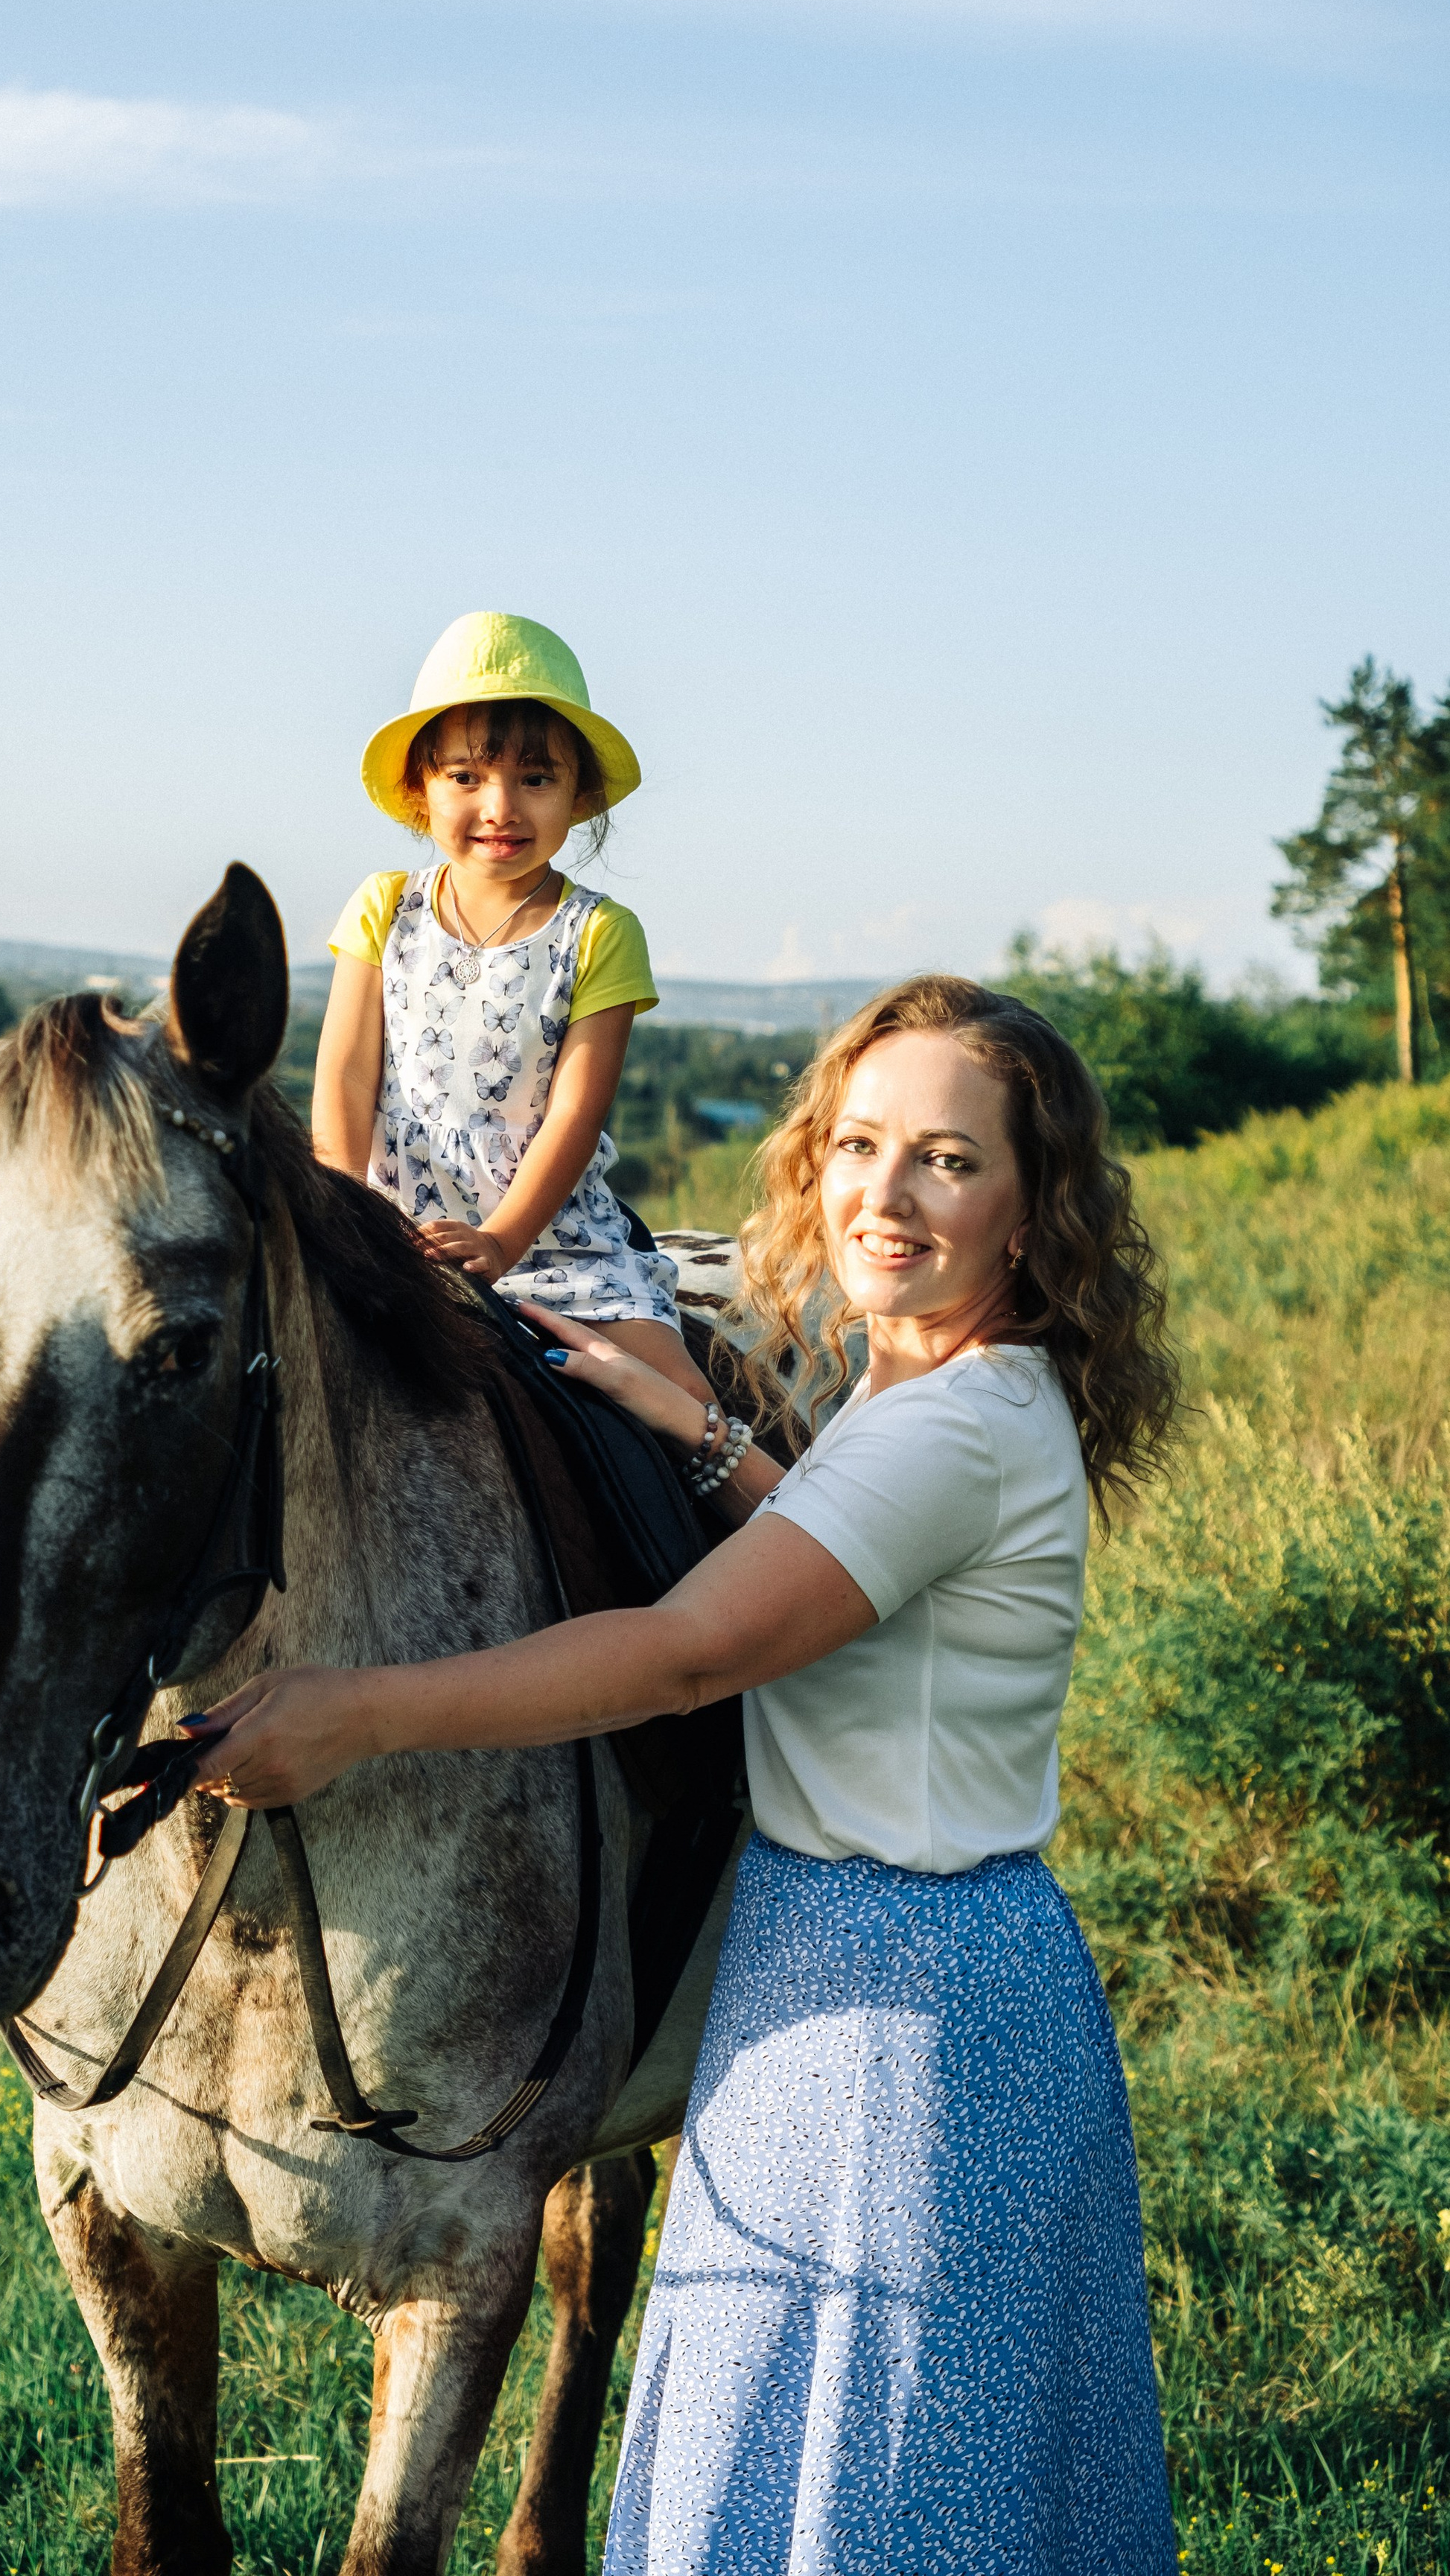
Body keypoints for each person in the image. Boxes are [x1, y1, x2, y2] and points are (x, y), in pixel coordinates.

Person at [193, 974, 1183, 2575]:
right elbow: (843, 1566)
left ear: (1030, 1205)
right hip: (892, 1977)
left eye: (946, 1159)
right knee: (889, 2484)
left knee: (856, 2493)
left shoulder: (955, 1429)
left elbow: (683, 1656)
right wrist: (698, 1432)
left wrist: (357, 1711)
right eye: (858, 1144)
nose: (883, 1192)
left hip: (890, 2014)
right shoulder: (926, 1383)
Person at [313, 608, 705, 1397]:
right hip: (394, 1234)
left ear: (579, 793)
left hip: (551, 1241)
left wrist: (501, 1240)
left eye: (535, 777)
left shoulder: (598, 933)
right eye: (466, 776)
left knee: (688, 1404)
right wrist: (340, 1217)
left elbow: (571, 1118)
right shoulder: (383, 908)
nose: (500, 806)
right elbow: (348, 1079)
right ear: (419, 788)